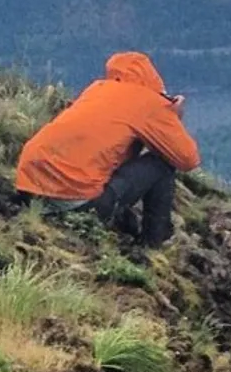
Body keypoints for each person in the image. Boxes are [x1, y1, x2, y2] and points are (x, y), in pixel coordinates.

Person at [16, 52, 200, 247]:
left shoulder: (96, 90)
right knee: (161, 165)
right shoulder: (149, 103)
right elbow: (188, 159)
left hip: (28, 191)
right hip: (76, 201)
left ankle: (120, 219)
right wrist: (172, 118)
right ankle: (153, 243)